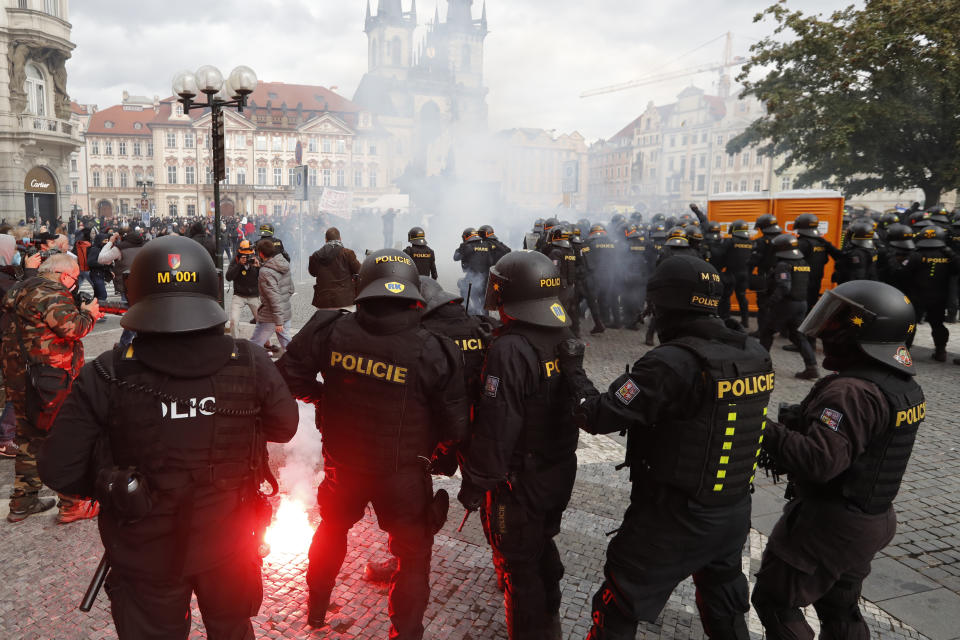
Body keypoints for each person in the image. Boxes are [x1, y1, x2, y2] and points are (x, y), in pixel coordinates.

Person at [38, 235, 299, 639]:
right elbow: (285, 427)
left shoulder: (107, 372)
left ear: (136, 292)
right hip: (229, 540)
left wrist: (117, 483)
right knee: (232, 628)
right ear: (212, 290)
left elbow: (60, 467)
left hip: (143, 545)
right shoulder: (249, 360)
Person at [559, 255, 774, 640]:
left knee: (617, 606)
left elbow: (598, 417)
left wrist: (574, 370)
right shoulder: (754, 353)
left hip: (672, 518)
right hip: (732, 511)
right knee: (724, 606)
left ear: (663, 305)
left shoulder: (668, 364)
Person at [277, 248, 469, 638]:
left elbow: (288, 376)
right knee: (413, 558)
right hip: (404, 475)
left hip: (343, 465)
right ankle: (405, 632)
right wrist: (438, 451)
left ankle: (316, 610)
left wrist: (324, 396)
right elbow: (456, 427)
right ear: (414, 295)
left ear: (362, 288)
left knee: (331, 529)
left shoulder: (330, 327)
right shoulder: (433, 348)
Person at [753, 281, 924, 640]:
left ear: (864, 331)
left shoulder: (851, 391)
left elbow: (820, 461)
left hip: (830, 523)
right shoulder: (903, 385)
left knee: (774, 600)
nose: (828, 328)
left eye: (837, 321)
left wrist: (757, 426)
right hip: (871, 517)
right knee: (839, 607)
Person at [458, 250, 579, 640]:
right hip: (557, 471)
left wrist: (475, 483)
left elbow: (498, 426)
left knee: (519, 568)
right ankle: (552, 622)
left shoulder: (510, 349)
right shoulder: (561, 334)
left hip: (518, 483)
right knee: (542, 548)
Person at [3, 253, 100, 523]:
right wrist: (89, 314)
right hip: (50, 378)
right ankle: (72, 503)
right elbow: (73, 328)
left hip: (20, 377)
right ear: (63, 275)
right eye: (74, 277)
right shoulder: (50, 293)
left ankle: (23, 501)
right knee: (65, 436)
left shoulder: (20, 288)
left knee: (28, 438)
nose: (73, 283)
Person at [757, 234, 820, 379]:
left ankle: (761, 365)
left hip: (786, 305)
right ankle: (811, 367)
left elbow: (784, 287)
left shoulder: (783, 265)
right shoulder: (803, 263)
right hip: (801, 304)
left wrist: (769, 303)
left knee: (767, 332)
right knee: (798, 335)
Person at [902, 225, 959, 361]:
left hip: (917, 296)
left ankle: (904, 352)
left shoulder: (916, 254)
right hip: (939, 297)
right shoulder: (948, 255)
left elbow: (903, 274)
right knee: (937, 324)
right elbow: (957, 270)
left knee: (911, 324)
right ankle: (941, 351)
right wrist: (951, 253)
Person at [250, 238, 295, 355]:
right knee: (287, 344)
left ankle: (252, 368)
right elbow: (291, 289)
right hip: (285, 311)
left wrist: (278, 321)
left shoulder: (265, 272)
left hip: (271, 316)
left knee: (254, 345)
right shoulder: (283, 263)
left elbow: (274, 298)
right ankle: (298, 363)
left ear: (260, 253)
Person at [308, 227, 361, 311]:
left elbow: (313, 273)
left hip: (323, 300)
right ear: (340, 239)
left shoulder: (316, 255)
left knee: (325, 324)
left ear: (325, 239)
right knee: (345, 323)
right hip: (344, 300)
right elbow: (359, 270)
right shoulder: (348, 253)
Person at [225, 240, 261, 339]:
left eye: (248, 255)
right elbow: (228, 277)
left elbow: (264, 278)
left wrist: (259, 268)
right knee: (233, 321)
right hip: (239, 295)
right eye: (244, 255)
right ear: (240, 253)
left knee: (262, 321)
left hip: (253, 295)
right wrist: (239, 265)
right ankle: (235, 343)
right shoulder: (236, 260)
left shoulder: (256, 259)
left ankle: (267, 343)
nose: (247, 258)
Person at [454, 227, 490, 315]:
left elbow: (456, 257)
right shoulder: (486, 245)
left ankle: (468, 311)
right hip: (485, 277)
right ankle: (485, 315)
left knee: (462, 285)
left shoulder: (466, 246)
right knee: (481, 296)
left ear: (466, 237)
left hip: (473, 277)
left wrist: (460, 248)